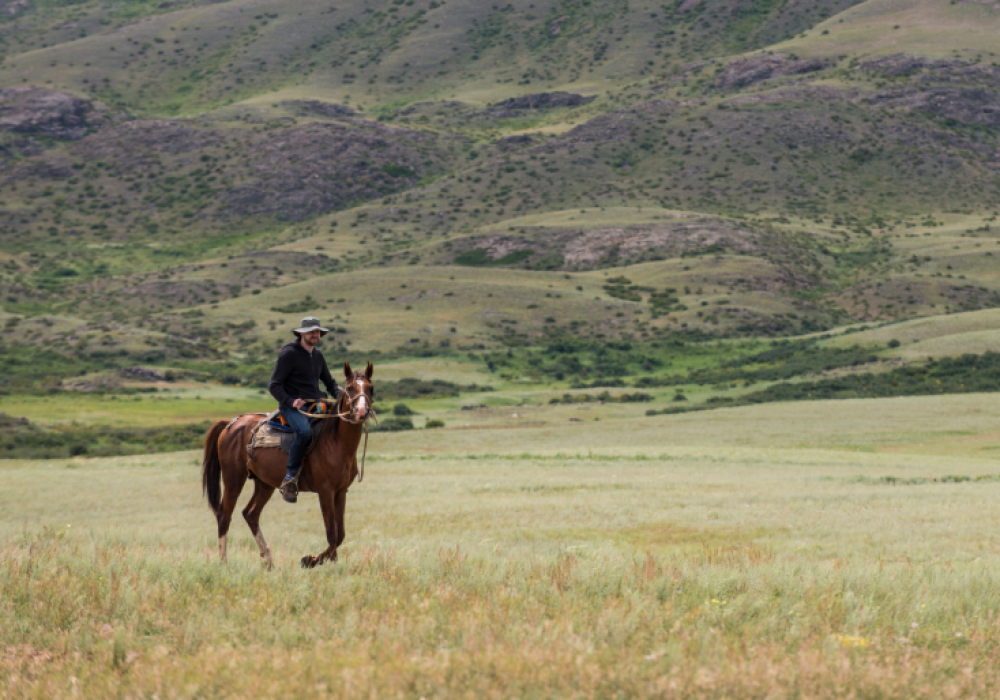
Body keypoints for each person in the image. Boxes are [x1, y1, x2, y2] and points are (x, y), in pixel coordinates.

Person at [268, 316, 341, 503]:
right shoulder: (289, 354)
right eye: (311, 332)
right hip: (292, 406)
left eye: (317, 332)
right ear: (302, 334)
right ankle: (290, 477)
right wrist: (291, 402)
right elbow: (274, 385)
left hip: (316, 404)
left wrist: (341, 396)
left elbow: (329, 382)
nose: (315, 335)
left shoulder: (317, 355)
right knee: (304, 431)